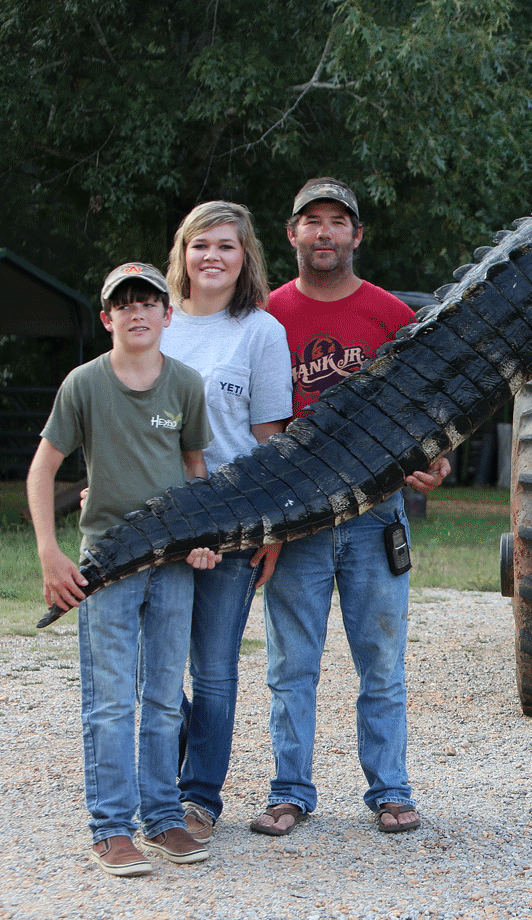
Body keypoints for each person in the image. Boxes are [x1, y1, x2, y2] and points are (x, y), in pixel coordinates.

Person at [253, 178, 450, 837]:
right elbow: (259, 419)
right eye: (313, 221)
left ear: (356, 236)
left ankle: (391, 792)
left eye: (338, 221)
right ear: (293, 234)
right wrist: (273, 515)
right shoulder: (268, 315)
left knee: (382, 664)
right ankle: (289, 792)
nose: (326, 232)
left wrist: (437, 453)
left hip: (376, 516)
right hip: (300, 517)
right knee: (291, 667)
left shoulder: (391, 315)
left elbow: (437, 394)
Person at [26, 263, 217, 876]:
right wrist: (51, 553)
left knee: (163, 698)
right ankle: (111, 828)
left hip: (171, 565)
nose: (138, 312)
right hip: (106, 565)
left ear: (167, 315)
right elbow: (41, 470)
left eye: (150, 302)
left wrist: (202, 537)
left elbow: (195, 472)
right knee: (110, 701)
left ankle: (162, 817)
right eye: (124, 304)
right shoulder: (83, 385)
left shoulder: (186, 384)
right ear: (108, 318)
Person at [161, 202, 293, 846]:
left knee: (212, 666)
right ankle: (171, 758)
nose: (211, 256)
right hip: (155, 518)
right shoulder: (154, 321)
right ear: (181, 254)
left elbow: (271, 439)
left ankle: (198, 796)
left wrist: (273, 527)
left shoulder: (260, 331)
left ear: (246, 260)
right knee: (141, 659)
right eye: (199, 244)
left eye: (226, 247)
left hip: (233, 520)